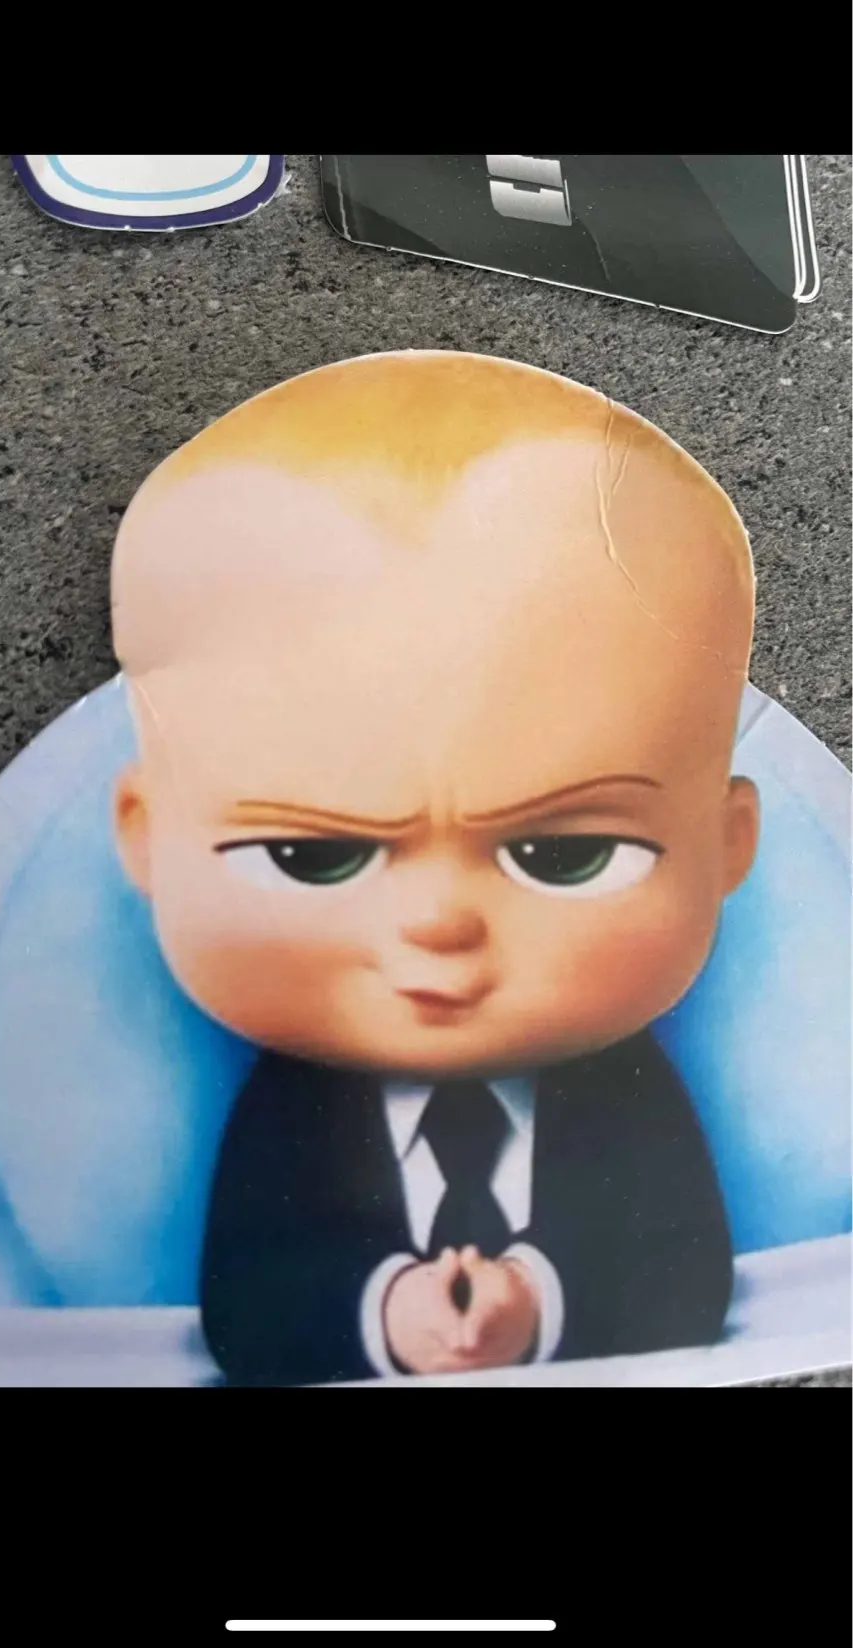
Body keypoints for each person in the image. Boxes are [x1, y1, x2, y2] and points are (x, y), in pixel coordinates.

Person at [111, 351, 758, 1385]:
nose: (439, 923)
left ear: (729, 843)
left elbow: (683, 1269)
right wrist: (382, 1313)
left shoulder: (621, 1090)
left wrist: (538, 1299)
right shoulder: (293, 1110)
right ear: (147, 838)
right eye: (313, 854)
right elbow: (249, 1299)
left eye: (565, 852)